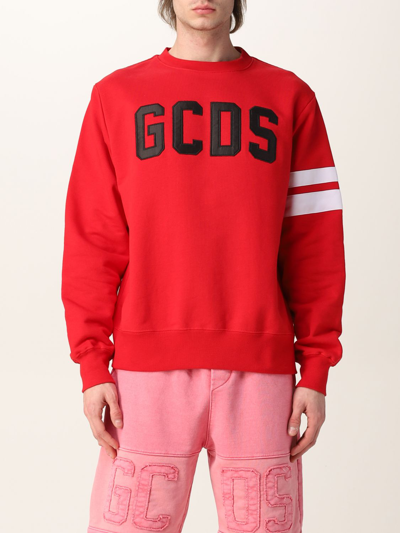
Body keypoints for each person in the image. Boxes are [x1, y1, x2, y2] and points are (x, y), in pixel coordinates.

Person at [61, 1, 346, 531]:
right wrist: (92, 362)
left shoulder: (289, 97)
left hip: (262, 373)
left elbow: (315, 242)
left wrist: (316, 369)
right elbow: (92, 240)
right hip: (145, 374)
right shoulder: (116, 97)